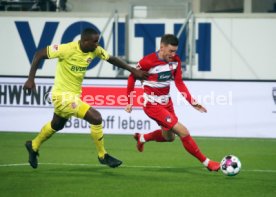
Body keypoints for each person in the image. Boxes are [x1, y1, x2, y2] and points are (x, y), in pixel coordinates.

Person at [23, 28, 148, 169]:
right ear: (85, 41)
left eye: (98, 41)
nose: (97, 45)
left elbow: (111, 59)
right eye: (94, 42)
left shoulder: (94, 50)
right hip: (61, 96)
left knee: (57, 124)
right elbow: (39, 54)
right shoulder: (66, 49)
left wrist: (132, 70)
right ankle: (103, 155)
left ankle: (33, 145)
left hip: (73, 95)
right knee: (96, 118)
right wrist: (30, 79)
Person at [125, 34, 220, 171]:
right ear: (161, 47)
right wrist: (129, 101)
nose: (173, 54)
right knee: (183, 131)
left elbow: (179, 83)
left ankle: (142, 138)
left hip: (167, 103)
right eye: (170, 51)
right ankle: (208, 163)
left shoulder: (175, 61)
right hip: (152, 105)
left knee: (169, 137)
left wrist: (192, 102)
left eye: (175, 51)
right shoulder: (148, 61)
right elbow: (131, 77)